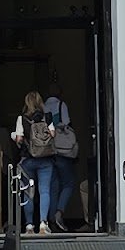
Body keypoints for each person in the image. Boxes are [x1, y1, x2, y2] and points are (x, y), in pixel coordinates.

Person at [9, 88, 53, 226]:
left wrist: (13, 136)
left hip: (28, 159)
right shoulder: (47, 117)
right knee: (44, 191)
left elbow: (19, 139)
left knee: (28, 192)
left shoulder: (22, 119)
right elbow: (53, 134)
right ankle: (43, 223)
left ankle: (29, 225)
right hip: (45, 159)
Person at [42, 95, 79, 231]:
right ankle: (59, 212)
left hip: (48, 151)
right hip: (63, 151)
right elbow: (66, 123)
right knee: (69, 183)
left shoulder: (43, 107)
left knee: (53, 186)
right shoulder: (61, 105)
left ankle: (51, 220)